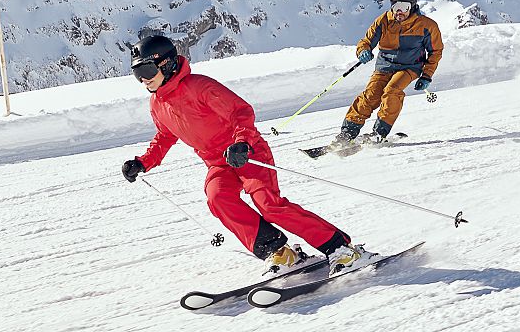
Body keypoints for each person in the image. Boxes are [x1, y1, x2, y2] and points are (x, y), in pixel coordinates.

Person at [120, 34, 367, 273]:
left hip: (247, 153)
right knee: (217, 197)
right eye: (137, 75)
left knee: (269, 205)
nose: (144, 80)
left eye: (147, 72)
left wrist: (242, 143)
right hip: (218, 163)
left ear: (168, 64)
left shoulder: (199, 87)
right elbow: (165, 136)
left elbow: (241, 112)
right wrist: (142, 162)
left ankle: (340, 248)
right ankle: (279, 250)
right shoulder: (157, 103)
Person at [330, 0, 445, 149]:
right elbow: (366, 41)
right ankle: (347, 133)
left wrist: (426, 75)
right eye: (396, 6)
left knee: (392, 91)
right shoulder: (383, 20)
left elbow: (436, 51)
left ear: (412, 7)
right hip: (384, 65)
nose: (399, 12)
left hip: (409, 67)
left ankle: (380, 133)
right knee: (370, 96)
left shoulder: (427, 25)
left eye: (404, 7)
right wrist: (363, 50)